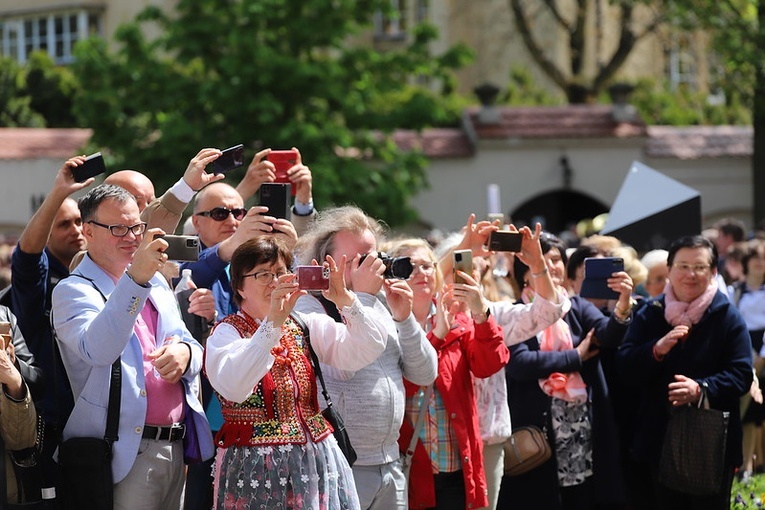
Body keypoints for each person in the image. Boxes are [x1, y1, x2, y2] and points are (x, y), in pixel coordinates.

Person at [51, 184, 214, 509]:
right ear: (88, 231)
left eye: (135, 227)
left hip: (174, 445)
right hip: (121, 453)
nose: (130, 237)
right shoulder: (73, 291)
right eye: (117, 228)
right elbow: (98, 349)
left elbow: (190, 343)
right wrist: (135, 279)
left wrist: (185, 354)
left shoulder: (154, 281)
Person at [205, 236, 388, 509]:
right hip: (255, 469)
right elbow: (234, 385)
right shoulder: (227, 332)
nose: (274, 281)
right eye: (263, 274)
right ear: (240, 287)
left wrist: (346, 300)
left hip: (315, 463)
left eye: (280, 272)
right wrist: (272, 325)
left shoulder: (304, 323)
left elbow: (367, 348)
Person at [294, 205, 438, 510]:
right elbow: (347, 365)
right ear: (324, 264)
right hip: (341, 464)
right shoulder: (308, 308)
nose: (371, 268)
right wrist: (364, 298)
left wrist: (405, 320)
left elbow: (425, 374)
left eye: (374, 258)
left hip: (390, 462)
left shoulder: (380, 303)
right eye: (358, 260)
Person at [434, 217, 570, 510]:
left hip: (485, 440)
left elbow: (548, 311)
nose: (471, 273)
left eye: (478, 267)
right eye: (462, 263)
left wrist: (537, 265)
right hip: (434, 438)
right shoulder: (419, 318)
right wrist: (462, 246)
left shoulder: (493, 313)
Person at [498, 232, 634, 510]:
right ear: (526, 271)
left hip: (580, 426)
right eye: (546, 260)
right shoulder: (514, 312)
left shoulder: (577, 307)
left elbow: (608, 336)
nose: (555, 266)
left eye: (558, 259)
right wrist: (574, 357)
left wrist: (622, 305)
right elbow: (520, 364)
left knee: (581, 498)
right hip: (537, 429)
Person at [617, 235, 753, 509]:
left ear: (714, 271)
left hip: (711, 442)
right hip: (657, 438)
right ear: (669, 271)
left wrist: (701, 388)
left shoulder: (727, 316)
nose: (691, 274)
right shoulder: (649, 312)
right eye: (683, 266)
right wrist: (655, 350)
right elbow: (625, 366)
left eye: (700, 267)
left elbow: (741, 374)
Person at [385, 237, 508, 509]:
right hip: (411, 467)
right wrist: (437, 335)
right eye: (409, 266)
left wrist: (480, 312)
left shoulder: (457, 318)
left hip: (456, 464)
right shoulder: (383, 324)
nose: (421, 272)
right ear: (392, 274)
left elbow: (490, 364)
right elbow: (405, 385)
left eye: (427, 266)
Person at [8, 156, 91, 498]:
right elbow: (26, 260)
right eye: (63, 224)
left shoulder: (102, 275)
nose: (76, 230)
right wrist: (58, 194)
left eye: (80, 221)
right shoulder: (38, 284)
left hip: (105, 433)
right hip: (56, 431)